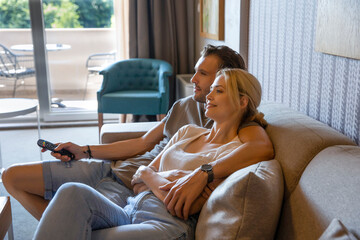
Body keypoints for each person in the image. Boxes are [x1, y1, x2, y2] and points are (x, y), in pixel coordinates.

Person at [2, 45, 273, 224]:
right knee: (11, 177)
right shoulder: (184, 107)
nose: (193, 80)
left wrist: (204, 172)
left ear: (226, 78)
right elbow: (143, 143)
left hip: (128, 189)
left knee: (72, 214)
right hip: (110, 171)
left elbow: (262, 148)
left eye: (202, 73)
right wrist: (84, 150)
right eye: (196, 71)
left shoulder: (239, 124)